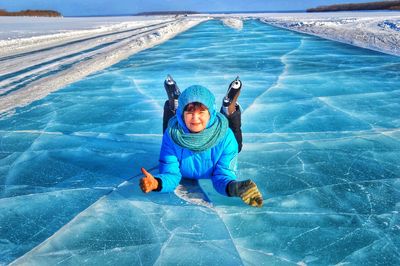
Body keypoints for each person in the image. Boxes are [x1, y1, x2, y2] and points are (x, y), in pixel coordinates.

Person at [139, 75, 263, 207]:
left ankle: (228, 109)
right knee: (172, 127)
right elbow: (170, 173)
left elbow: (222, 175)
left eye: (202, 112)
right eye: (189, 112)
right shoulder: (171, 136)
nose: (195, 118)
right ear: (182, 114)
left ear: (210, 114)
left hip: (221, 134)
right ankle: (175, 103)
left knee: (236, 146)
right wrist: (157, 183)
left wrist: (234, 187)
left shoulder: (227, 138)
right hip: (177, 126)